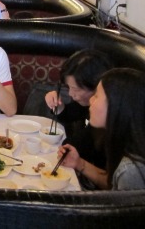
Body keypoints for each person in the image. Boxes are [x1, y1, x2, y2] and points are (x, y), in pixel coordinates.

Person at [59, 68, 145, 190]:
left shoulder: (132, 170)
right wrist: (79, 163)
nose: (91, 100)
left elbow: (120, 185)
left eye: (96, 96)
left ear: (117, 107)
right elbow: (114, 183)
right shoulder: (132, 142)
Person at [44, 49, 113, 188]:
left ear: (98, 87)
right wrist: (58, 105)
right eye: (69, 87)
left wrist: (80, 163)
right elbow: (72, 113)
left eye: (76, 89)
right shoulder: (89, 105)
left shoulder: (109, 121)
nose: (70, 94)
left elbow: (115, 184)